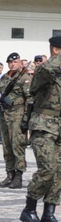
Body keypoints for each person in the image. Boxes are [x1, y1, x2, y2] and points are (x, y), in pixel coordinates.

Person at [19, 35, 61, 222]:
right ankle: (29, 208)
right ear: (55, 50)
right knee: (47, 169)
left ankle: (49, 214)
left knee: (60, 172)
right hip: (43, 125)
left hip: (60, 125)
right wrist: (58, 57)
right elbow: (49, 69)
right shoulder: (44, 69)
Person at [0, 52, 32, 189]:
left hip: (18, 114)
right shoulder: (5, 77)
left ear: (20, 63)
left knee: (17, 145)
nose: (12, 64)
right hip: (5, 115)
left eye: (15, 62)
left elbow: (29, 99)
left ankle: (18, 175)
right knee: (7, 146)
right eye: (10, 62)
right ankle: (10, 173)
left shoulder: (24, 78)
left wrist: (26, 119)